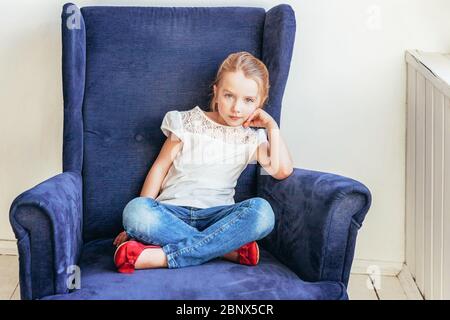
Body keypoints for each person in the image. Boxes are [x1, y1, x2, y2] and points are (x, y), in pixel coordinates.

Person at [113, 51, 294, 273]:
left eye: (248, 100)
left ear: (260, 103)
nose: (237, 108)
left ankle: (162, 256)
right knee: (135, 211)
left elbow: (282, 170)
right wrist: (135, 225)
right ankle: (227, 251)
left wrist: (271, 126)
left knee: (263, 213)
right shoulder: (187, 122)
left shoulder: (252, 138)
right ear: (216, 92)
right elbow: (160, 168)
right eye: (229, 96)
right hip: (171, 212)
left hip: (218, 219)